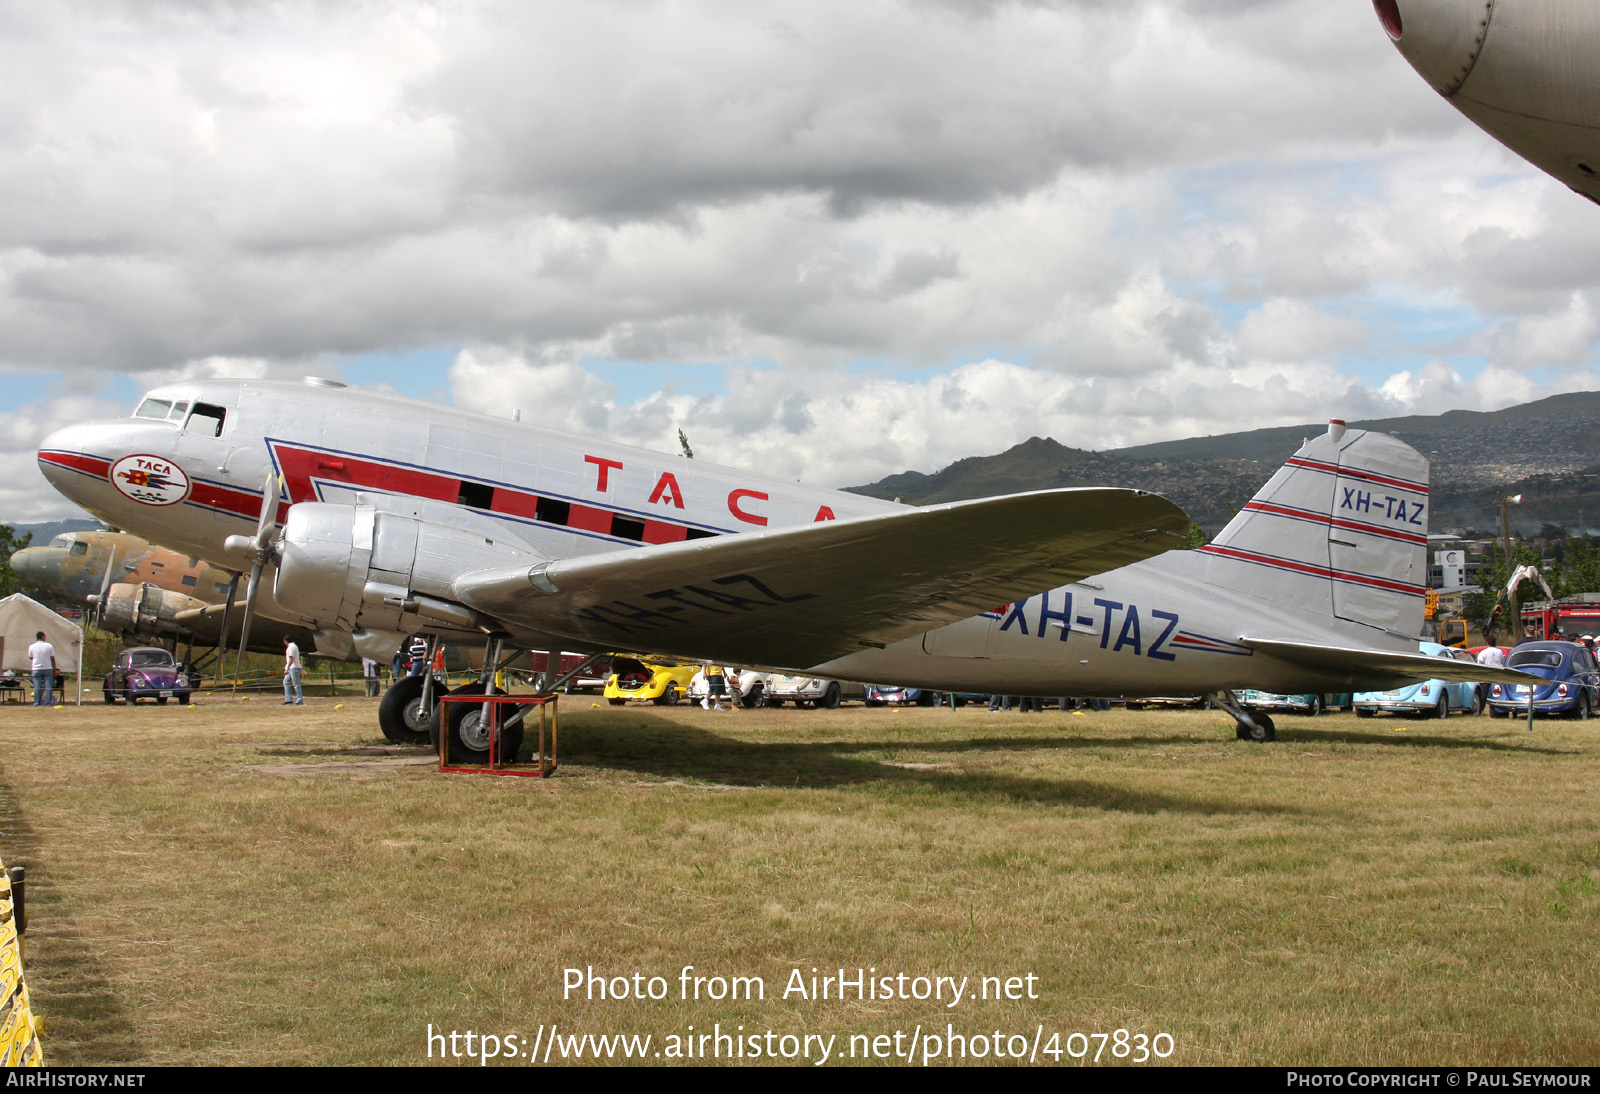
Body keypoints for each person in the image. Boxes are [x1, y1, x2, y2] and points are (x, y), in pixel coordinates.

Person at [27, 632, 56, 708]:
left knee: (37, 686)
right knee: (48, 686)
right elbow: (52, 658)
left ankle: (37, 702)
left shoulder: (32, 646)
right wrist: (54, 669)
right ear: (43, 637)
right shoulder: (49, 646)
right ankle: (48, 702)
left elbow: (30, 657)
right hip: (47, 668)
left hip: (36, 668)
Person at [283, 636, 304, 705]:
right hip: (291, 668)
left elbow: (291, 658)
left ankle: (299, 700)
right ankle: (288, 699)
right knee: (286, 682)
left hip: (293, 668)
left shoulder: (292, 647)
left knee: (296, 684)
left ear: (286, 641)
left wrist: (287, 668)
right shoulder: (292, 646)